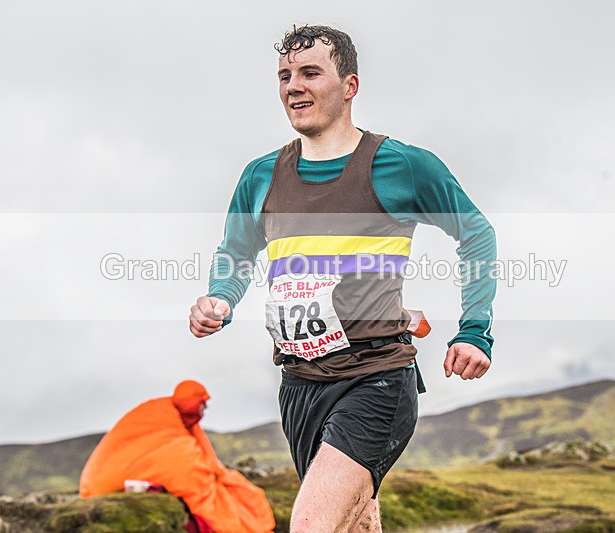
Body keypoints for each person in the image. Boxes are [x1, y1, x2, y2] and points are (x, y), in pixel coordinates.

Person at [189, 25, 496, 532]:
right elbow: (235, 254)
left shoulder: (401, 166)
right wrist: (219, 300)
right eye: (285, 76)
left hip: (375, 377)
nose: (293, 86)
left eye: (311, 72)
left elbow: (477, 234)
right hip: (299, 384)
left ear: (350, 86)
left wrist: (474, 330)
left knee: (311, 524)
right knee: (353, 524)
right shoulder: (261, 175)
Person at [79, 380, 275, 533]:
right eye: (202, 405)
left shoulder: (170, 415)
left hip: (91, 485)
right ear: (191, 404)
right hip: (100, 489)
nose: (204, 410)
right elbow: (184, 469)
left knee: (235, 488)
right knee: (219, 494)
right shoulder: (162, 420)